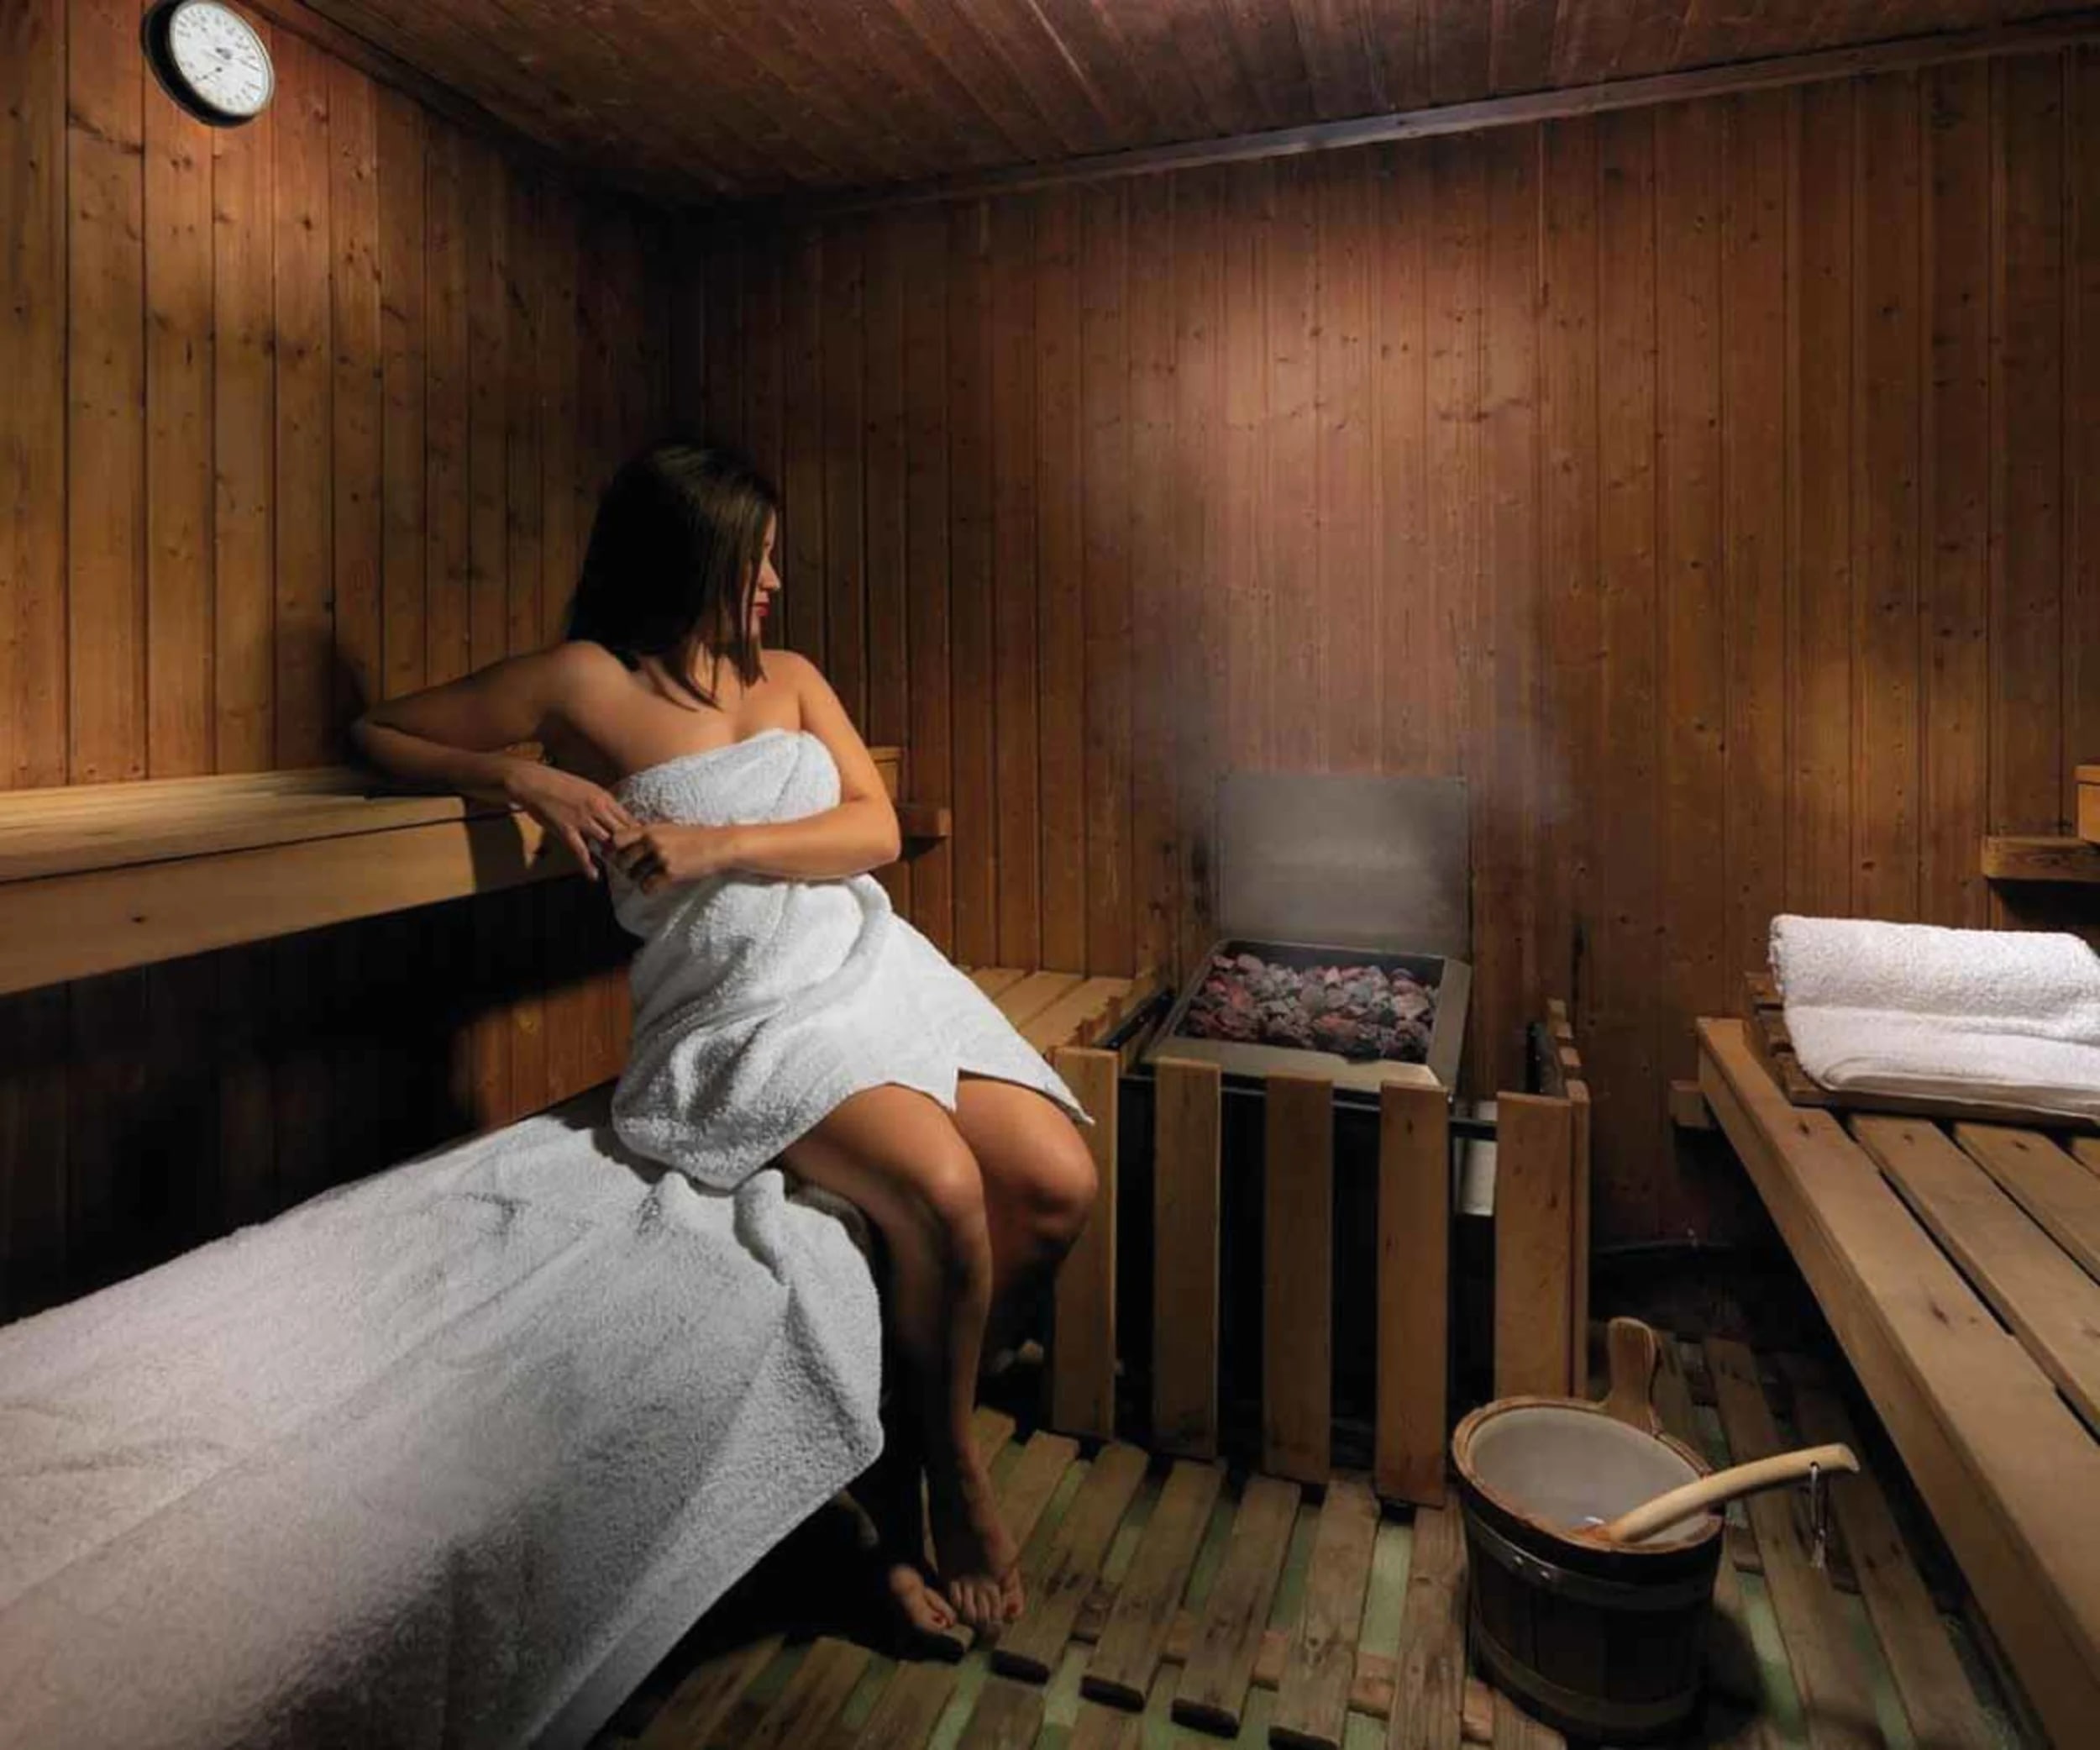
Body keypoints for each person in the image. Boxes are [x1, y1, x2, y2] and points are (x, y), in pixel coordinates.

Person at [350, 442, 1098, 1641]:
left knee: (1057, 1183)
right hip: (740, 1013)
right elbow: (379, 730)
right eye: (757, 559)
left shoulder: (788, 678)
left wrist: (718, 846)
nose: (774, 584)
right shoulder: (585, 683)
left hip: (865, 962)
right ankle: (932, 1479)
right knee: (948, 1194)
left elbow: (874, 829)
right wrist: (521, 781)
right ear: (687, 551)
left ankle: (901, 1431)